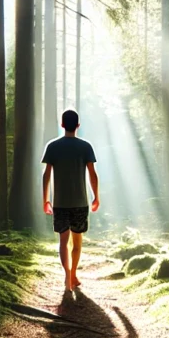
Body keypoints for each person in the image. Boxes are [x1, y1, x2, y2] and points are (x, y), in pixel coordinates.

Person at [42, 109, 100, 292]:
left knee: (63, 241)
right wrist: (96, 196)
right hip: (80, 202)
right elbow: (92, 174)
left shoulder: (52, 146)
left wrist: (45, 200)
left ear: (62, 124)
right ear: (78, 125)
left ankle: (67, 276)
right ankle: (73, 273)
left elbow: (46, 175)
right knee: (77, 242)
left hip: (60, 202)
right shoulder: (85, 147)